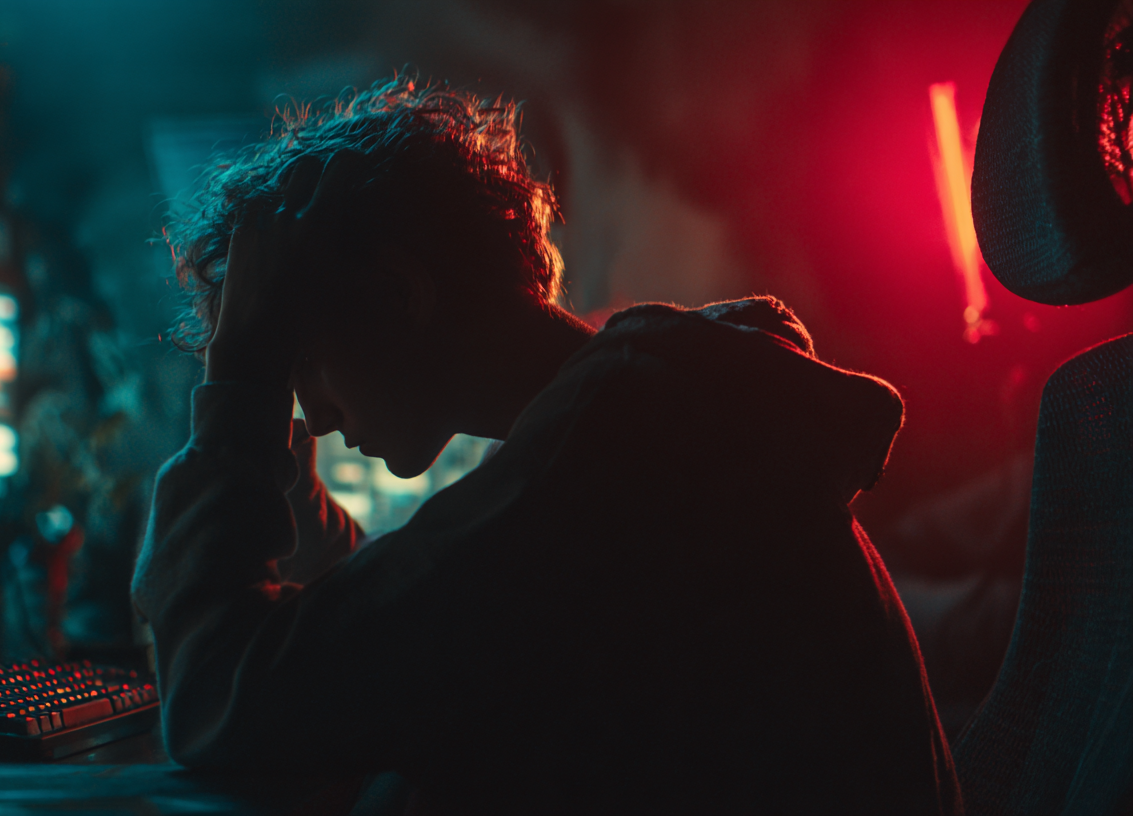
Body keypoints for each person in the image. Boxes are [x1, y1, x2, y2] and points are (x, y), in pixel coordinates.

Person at [131, 75, 961, 815]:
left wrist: (240, 379)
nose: (307, 412)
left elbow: (218, 702)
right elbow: (403, 606)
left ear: (397, 296)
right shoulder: (635, 415)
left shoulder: (602, 463)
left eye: (303, 358)